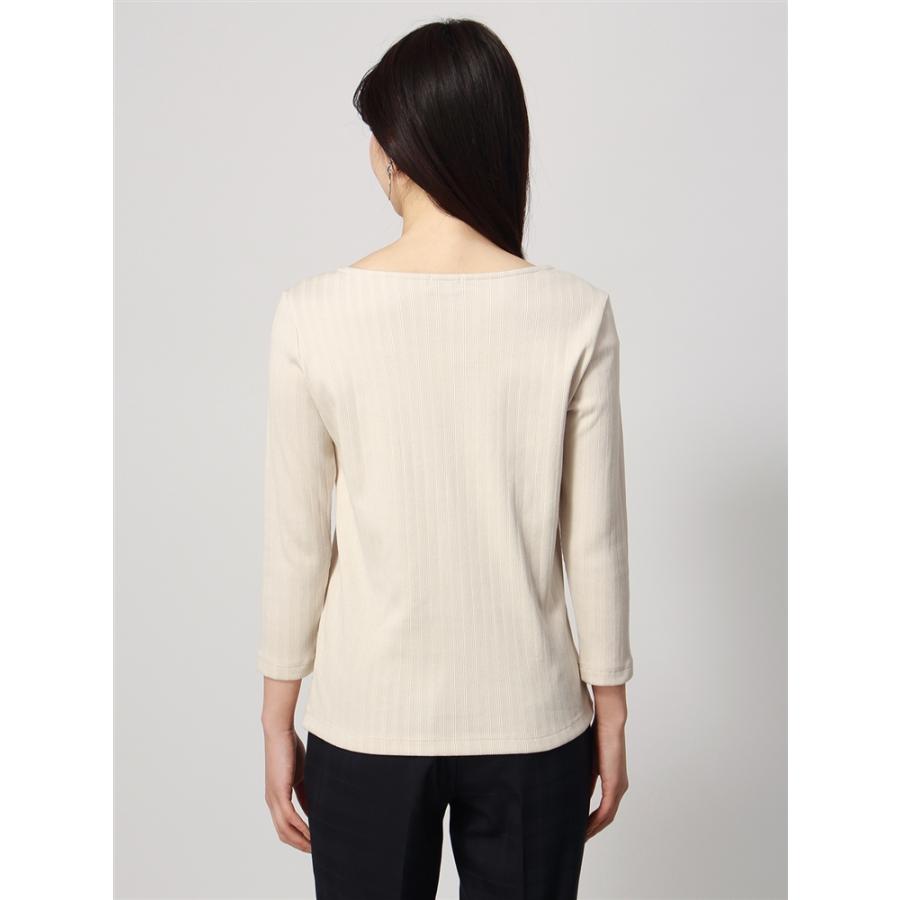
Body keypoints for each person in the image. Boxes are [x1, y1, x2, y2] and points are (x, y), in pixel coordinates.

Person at [258, 17, 632, 900]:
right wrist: (611, 707)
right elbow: (595, 541)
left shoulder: (311, 315)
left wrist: (278, 711)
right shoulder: (575, 314)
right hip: (535, 724)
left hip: (365, 720)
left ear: (395, 151)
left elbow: (298, 543)